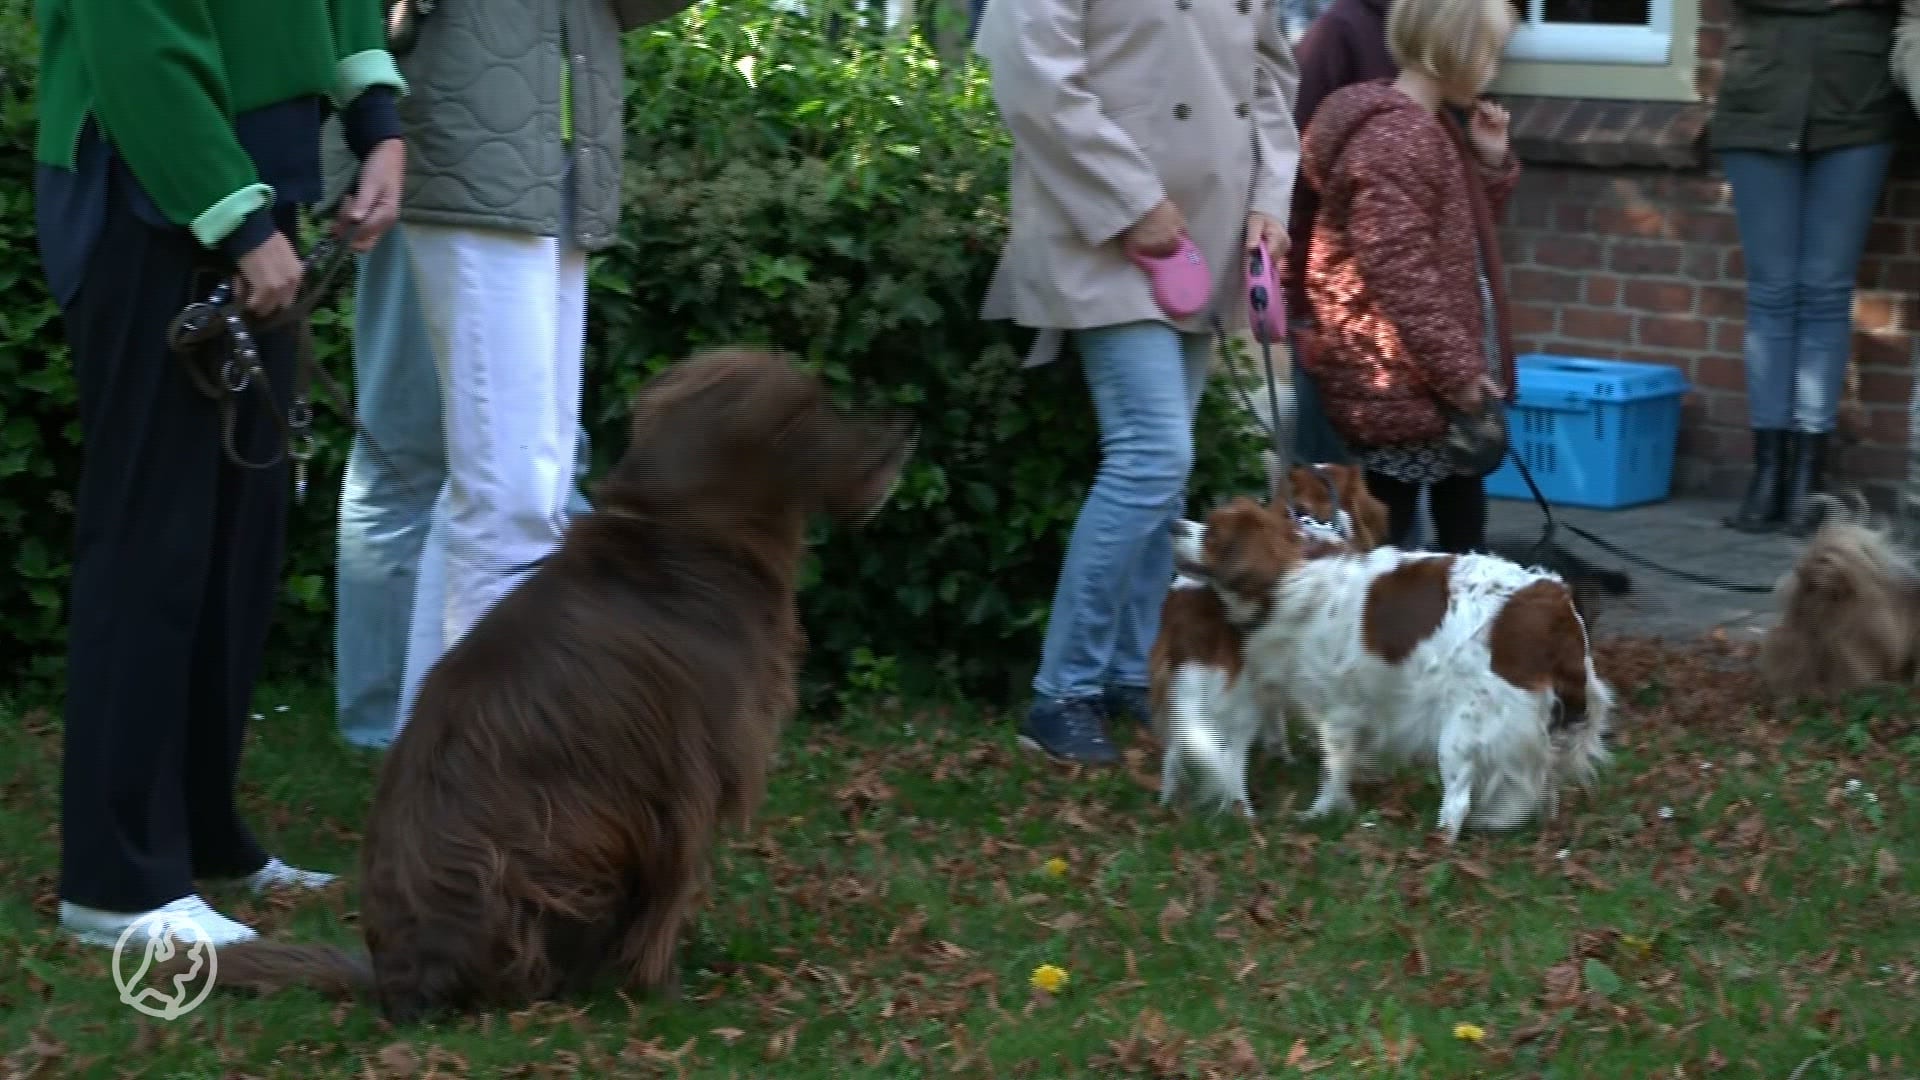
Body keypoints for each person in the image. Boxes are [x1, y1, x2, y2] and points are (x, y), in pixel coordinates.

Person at [34, 0, 406, 946]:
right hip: (146, 185)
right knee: (151, 535)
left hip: (249, 184)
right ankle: (115, 881)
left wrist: (377, 127)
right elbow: (134, 35)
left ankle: (198, 835)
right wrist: (235, 217)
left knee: (235, 541)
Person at [974, 0, 1302, 766]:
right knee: (1153, 455)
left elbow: (1270, 78)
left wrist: (1269, 202)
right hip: (1107, 230)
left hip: (1205, 236)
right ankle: (1061, 693)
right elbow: (1032, 72)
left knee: (1162, 463)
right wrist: (1131, 203)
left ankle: (1127, 670)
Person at [384, 0, 697, 732]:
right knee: (511, 500)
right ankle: (488, 784)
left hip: (553, 158)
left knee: (514, 488)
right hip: (473, 147)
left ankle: (427, 767)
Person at [1296, 0, 1520, 555]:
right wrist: (1459, 373)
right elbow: (1398, 270)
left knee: (1458, 484)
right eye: (1490, 53)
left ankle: (1450, 611)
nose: (1494, 69)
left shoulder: (1431, 125)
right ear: (1457, 53)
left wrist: (1490, 164)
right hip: (1405, 364)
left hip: (1431, 359)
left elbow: (1452, 231)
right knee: (1393, 506)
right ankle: (1402, 620)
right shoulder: (1398, 138)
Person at [1712, 0, 1903, 537]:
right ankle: (1768, 473)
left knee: (1825, 293)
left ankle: (1808, 481)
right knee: (1771, 294)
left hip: (1858, 104)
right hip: (1758, 105)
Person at [1282, 0, 1397, 467]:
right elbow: (1294, 177)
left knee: (1392, 487)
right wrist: (1300, 310)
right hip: (1335, 307)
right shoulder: (1340, 33)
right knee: (1326, 481)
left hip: (1408, 313)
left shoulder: (1443, 31)